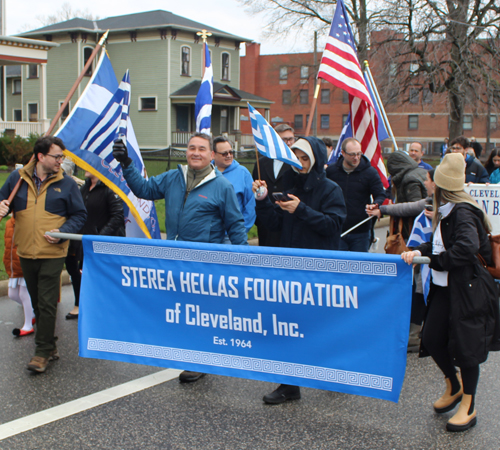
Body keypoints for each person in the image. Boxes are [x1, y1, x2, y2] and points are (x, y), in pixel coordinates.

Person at [113, 132, 247, 383]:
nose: (196, 152)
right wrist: (126, 164)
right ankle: (190, 353)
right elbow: (144, 189)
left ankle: (201, 361)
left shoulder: (222, 187)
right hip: (174, 259)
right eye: (191, 147)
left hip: (204, 263)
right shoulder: (174, 177)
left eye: (202, 149)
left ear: (211, 155)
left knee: (202, 313)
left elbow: (236, 226)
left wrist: (243, 262)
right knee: (184, 311)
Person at [402, 152, 499, 432]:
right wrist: (417, 252)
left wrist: (433, 261)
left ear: (441, 185)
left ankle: (469, 406)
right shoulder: (446, 211)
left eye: (431, 179)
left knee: (467, 349)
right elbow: (438, 244)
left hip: (468, 290)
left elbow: (465, 249)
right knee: (432, 338)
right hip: (446, 289)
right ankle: (453, 385)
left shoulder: (463, 212)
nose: (427, 182)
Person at [252, 137, 346, 404]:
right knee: (289, 326)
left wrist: (301, 209)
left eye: (305, 158)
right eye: (296, 158)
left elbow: (333, 227)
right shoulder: (290, 186)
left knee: (321, 326)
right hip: (290, 268)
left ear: (315, 159)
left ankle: (334, 372)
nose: (301, 164)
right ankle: (289, 385)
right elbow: (273, 223)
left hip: (318, 269)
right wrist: (262, 199)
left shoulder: (330, 190)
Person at [0, 136, 87, 373]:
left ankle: (40, 353)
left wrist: (63, 232)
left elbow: (79, 215)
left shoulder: (67, 184)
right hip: (26, 251)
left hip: (52, 252)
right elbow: (2, 201)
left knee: (47, 303)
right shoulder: (17, 179)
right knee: (38, 301)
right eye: (56, 156)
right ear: (40, 157)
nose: (61, 160)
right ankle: (50, 345)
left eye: (62, 157)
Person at [367, 170, 436, 351]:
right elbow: (407, 207)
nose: (425, 183)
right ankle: (415, 335)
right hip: (427, 258)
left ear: (436, 184)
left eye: (427, 180)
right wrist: (381, 209)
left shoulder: (454, 207)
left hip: (444, 262)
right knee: (420, 292)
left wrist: (439, 217)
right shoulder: (429, 203)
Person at [65, 171, 125, 319]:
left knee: (100, 278)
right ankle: (80, 304)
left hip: (100, 243)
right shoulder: (84, 188)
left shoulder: (109, 188)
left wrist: (99, 238)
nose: (84, 166)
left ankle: (105, 308)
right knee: (79, 273)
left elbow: (117, 216)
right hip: (83, 241)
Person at [326, 137, 386, 252]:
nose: (356, 158)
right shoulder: (331, 171)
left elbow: (380, 194)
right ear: (343, 153)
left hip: (361, 230)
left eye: (359, 154)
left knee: (359, 266)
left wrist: (376, 204)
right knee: (339, 265)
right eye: (352, 154)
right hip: (337, 229)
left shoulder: (370, 172)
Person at [252, 124, 293, 247]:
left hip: (288, 220)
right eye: (284, 139)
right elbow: (255, 191)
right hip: (266, 221)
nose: (289, 143)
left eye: (291, 139)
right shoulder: (261, 163)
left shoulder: (296, 165)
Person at [212, 136, 256, 237]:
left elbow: (250, 204)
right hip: (208, 235)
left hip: (232, 235)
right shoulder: (206, 172)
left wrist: (242, 230)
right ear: (213, 154)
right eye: (224, 153)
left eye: (231, 152)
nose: (229, 156)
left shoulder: (243, 173)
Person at [4, 216, 35, 337]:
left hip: (23, 263)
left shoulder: (27, 221)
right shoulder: (8, 223)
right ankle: (33, 312)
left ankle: (28, 325)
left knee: (23, 294)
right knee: (12, 294)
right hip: (12, 265)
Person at [386, 150, 428, 239]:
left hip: (412, 231)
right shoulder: (421, 171)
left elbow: (414, 207)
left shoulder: (409, 179)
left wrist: (389, 209)